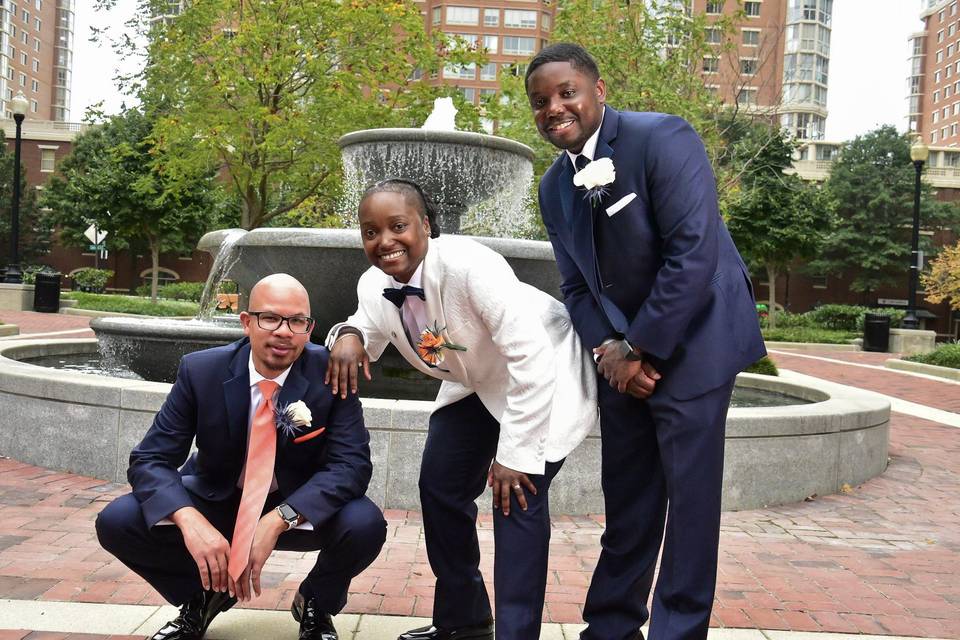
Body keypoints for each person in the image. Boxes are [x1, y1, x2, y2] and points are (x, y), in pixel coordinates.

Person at [525, 43, 767, 640]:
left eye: (566, 92)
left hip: (698, 340)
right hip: (623, 360)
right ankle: (610, 628)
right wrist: (611, 352)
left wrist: (640, 349)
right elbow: (576, 286)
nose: (554, 107)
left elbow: (693, 254)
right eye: (540, 101)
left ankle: (676, 633)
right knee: (628, 498)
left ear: (597, 91)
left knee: (688, 507)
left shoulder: (662, 138)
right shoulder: (554, 187)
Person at [324, 178, 598, 640]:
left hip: (544, 373)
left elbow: (530, 356)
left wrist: (515, 455)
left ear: (426, 226)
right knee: (440, 486)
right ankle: (464, 621)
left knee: (517, 500)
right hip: (477, 382)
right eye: (371, 232)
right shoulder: (374, 284)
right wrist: (346, 336)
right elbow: (364, 328)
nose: (385, 241)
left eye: (398, 226)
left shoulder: (472, 266)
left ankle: (517, 633)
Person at [95, 274, 386, 640]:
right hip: (218, 497)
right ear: (246, 322)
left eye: (297, 321)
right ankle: (202, 597)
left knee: (365, 524)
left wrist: (280, 518)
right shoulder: (201, 370)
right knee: (119, 519)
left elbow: (351, 466)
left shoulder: (331, 374)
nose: (284, 331)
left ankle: (316, 601)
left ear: (309, 328)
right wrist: (189, 521)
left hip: (295, 502)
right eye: (270, 318)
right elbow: (150, 459)